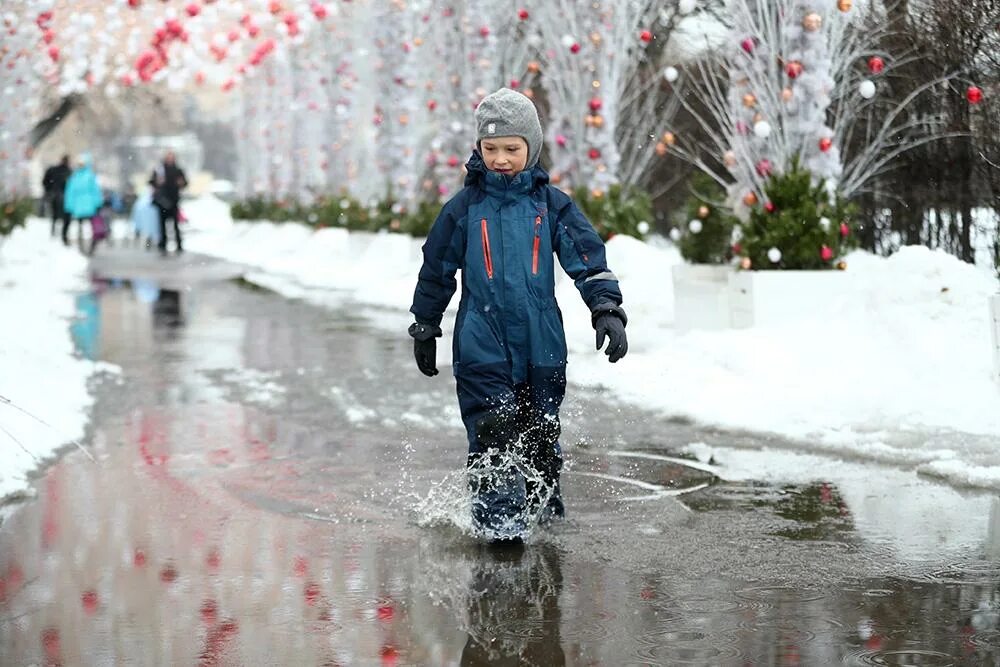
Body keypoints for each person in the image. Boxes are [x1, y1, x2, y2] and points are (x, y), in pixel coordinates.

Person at [408, 88, 629, 543]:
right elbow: (436, 269)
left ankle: (543, 515)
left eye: (512, 148)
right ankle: (499, 527)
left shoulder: (551, 206)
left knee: (539, 436)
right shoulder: (465, 209)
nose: (501, 159)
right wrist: (426, 323)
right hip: (481, 343)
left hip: (541, 343)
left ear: (531, 147)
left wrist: (606, 308)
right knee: (493, 433)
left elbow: (587, 259)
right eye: (491, 149)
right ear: (478, 149)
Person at [149, 151, 188, 254]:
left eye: (171, 157)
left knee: (176, 225)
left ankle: (179, 245)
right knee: (162, 225)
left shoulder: (178, 170)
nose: (170, 159)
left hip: (174, 200)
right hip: (162, 201)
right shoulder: (159, 170)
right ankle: (163, 244)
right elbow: (151, 181)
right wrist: (157, 182)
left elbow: (185, 183)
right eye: (168, 157)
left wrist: (181, 183)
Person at [63, 154, 104, 247]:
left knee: (92, 226)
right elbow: (70, 192)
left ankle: (93, 244)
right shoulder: (75, 177)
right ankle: (81, 245)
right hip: (79, 206)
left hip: (89, 205)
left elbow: (95, 190)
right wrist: (69, 205)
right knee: (80, 226)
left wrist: (98, 203)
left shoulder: (89, 176)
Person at [42, 155, 71, 237]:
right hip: (62, 196)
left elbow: (45, 181)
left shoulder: (54, 170)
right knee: (63, 216)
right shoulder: (68, 171)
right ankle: (61, 234)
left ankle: (55, 232)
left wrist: (49, 190)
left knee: (55, 215)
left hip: (56, 195)